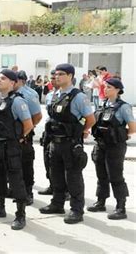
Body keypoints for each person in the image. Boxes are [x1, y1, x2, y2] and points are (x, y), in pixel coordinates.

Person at [39, 63, 95, 224]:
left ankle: (77, 210)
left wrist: (80, 130)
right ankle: (57, 204)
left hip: (70, 144)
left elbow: (90, 119)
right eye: (56, 74)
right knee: (55, 175)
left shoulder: (78, 96)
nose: (57, 77)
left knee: (73, 177)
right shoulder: (56, 94)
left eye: (61, 74)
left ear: (70, 76)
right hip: (54, 143)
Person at [0, 69, 33, 230]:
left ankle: (20, 214)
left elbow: (28, 125)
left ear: (12, 83)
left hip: (10, 147)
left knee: (16, 180)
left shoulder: (17, 101)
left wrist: (17, 138)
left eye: (3, 78)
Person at [88, 78, 135, 220]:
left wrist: (118, 136)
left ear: (117, 90)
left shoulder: (123, 107)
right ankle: (101, 202)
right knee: (101, 174)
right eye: (105, 86)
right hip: (101, 145)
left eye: (109, 87)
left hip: (115, 146)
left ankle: (121, 207)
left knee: (115, 176)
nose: (105, 89)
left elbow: (133, 128)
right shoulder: (103, 105)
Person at [15, 71, 42, 205]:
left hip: (24, 134)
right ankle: (17, 190)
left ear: (21, 81)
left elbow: (37, 116)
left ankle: (28, 192)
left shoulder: (29, 94)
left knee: (26, 163)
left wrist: (28, 129)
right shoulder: (10, 93)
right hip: (13, 135)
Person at [38, 70, 58, 195]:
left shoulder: (74, 96)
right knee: (48, 160)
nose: (52, 80)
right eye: (51, 78)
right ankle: (52, 184)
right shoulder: (50, 95)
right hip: (49, 131)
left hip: (62, 132)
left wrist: (82, 129)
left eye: (55, 78)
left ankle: (63, 189)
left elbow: (85, 117)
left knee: (60, 164)